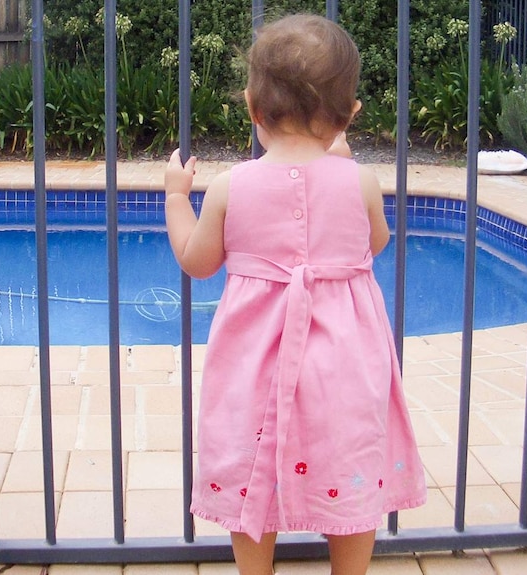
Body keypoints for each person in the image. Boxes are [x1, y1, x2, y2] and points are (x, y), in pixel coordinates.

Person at [164, 14, 427, 575]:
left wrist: (173, 198)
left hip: (254, 365)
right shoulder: (361, 184)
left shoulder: (232, 187)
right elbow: (373, 244)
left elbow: (197, 261)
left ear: (254, 109)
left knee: (251, 460)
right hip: (345, 367)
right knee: (349, 458)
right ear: (348, 115)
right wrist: (343, 158)